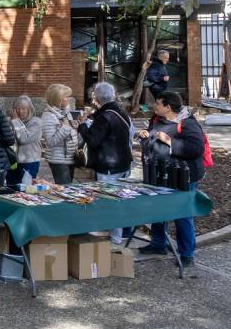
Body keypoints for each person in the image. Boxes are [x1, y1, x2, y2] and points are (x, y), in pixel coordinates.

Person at [136, 91, 206, 271]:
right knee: (158, 209)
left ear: (168, 107)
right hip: (160, 173)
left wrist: (168, 140)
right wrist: (146, 135)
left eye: (157, 103)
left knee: (182, 214)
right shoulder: (157, 119)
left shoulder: (188, 124)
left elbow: (195, 149)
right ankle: (158, 244)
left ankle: (187, 254)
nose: (154, 106)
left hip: (184, 176)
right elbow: (154, 139)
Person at [78, 81, 135, 245]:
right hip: (123, 163)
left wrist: (82, 126)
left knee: (111, 201)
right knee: (121, 198)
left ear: (96, 98)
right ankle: (124, 232)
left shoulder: (104, 116)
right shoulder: (120, 112)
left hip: (108, 166)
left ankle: (116, 237)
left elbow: (93, 140)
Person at [39, 84, 79, 184]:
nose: (68, 99)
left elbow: (70, 133)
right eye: (66, 97)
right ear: (58, 99)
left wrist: (75, 126)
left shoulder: (65, 113)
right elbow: (51, 141)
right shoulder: (48, 116)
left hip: (70, 158)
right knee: (64, 189)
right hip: (59, 160)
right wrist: (66, 128)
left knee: (69, 188)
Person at [8, 95, 42, 186]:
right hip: (12, 162)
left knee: (26, 189)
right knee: (11, 189)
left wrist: (15, 121)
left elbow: (23, 138)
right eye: (17, 108)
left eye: (23, 108)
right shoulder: (11, 122)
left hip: (29, 162)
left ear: (29, 109)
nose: (20, 111)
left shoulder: (36, 122)